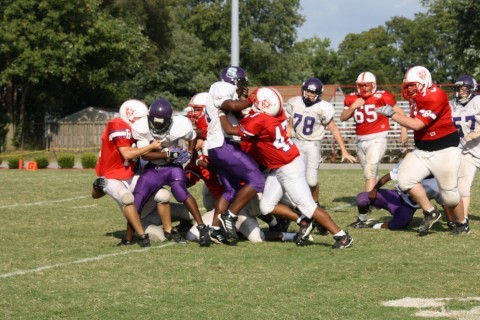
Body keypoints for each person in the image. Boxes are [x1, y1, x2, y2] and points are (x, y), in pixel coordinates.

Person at [219, 87, 353, 249]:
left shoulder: (259, 119)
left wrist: (220, 113)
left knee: (307, 205)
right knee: (266, 206)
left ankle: (342, 236)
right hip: (280, 165)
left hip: (289, 167)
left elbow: (230, 129)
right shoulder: (272, 115)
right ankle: (304, 221)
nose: (252, 99)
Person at [375, 66, 469, 234]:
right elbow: (413, 120)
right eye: (407, 85)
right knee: (404, 179)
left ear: (424, 82)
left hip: (444, 150)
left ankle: (462, 223)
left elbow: (418, 124)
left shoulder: (436, 95)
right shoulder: (417, 96)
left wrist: (392, 115)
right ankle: (430, 212)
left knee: (450, 196)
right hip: (422, 150)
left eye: (412, 85)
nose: (409, 88)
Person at [132, 98, 213, 246]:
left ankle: (202, 227)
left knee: (180, 192)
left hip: (172, 167)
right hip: (153, 168)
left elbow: (192, 136)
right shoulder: (141, 127)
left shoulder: (180, 125)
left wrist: (189, 152)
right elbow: (144, 154)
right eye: (155, 123)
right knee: (137, 198)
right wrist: (167, 154)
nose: (157, 127)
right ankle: (128, 237)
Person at [205, 66, 266, 243]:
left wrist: (244, 101)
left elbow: (236, 112)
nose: (242, 87)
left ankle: (215, 229)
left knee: (230, 190)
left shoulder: (229, 92)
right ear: (234, 80)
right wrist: (249, 102)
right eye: (241, 83)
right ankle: (230, 216)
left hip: (219, 147)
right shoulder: (221, 87)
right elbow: (229, 105)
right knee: (257, 180)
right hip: (223, 145)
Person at [95, 99, 162, 247]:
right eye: (140, 119)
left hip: (131, 174)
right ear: (129, 116)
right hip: (112, 176)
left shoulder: (136, 129)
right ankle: (141, 235)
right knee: (126, 198)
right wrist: (150, 146)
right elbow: (126, 154)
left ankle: (175, 225)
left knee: (162, 194)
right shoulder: (117, 124)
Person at [286, 77, 356, 206]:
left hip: (313, 144)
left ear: (318, 94)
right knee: (294, 175)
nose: (309, 94)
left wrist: (344, 151)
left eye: (313, 92)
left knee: (311, 181)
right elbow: (291, 120)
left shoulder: (323, 107)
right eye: (307, 91)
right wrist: (289, 130)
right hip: (296, 142)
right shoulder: (295, 102)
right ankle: (297, 203)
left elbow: (334, 129)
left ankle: (315, 202)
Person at [340, 71, 408, 191]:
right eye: (361, 85)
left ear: (373, 85)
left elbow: (401, 113)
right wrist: (352, 107)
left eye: (367, 85)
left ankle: (367, 202)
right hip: (360, 141)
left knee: (370, 170)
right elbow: (343, 117)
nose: (364, 88)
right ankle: (375, 196)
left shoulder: (383, 96)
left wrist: (404, 130)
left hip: (378, 138)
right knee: (370, 173)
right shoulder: (352, 98)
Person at [351, 161, 444, 230]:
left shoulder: (438, 183)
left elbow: (445, 204)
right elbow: (390, 175)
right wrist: (375, 189)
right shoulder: (413, 162)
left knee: (400, 223)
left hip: (408, 207)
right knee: (362, 198)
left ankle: (372, 225)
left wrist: (453, 223)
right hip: (395, 196)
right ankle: (361, 220)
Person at [450, 75, 480, 221]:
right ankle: (464, 218)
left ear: (472, 89)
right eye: (459, 88)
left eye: (465, 88)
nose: (461, 91)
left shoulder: (477, 101)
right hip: (467, 151)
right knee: (462, 187)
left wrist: (477, 133)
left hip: (477, 145)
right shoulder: (452, 105)